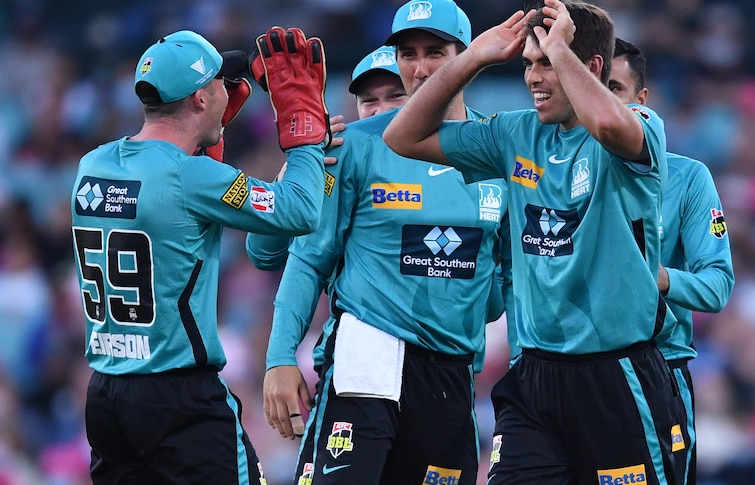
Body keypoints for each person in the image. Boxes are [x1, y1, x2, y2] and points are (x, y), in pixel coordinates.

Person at [384, 0, 683, 483]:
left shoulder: (639, 125)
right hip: (536, 379)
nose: (532, 78)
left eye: (545, 62)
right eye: (528, 64)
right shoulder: (515, 134)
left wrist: (563, 50)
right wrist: (473, 59)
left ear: (591, 67)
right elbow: (403, 136)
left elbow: (607, 125)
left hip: (617, 374)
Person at [256, 1, 511, 483]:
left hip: (452, 373)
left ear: (466, 56)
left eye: (435, 52)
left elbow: (503, 286)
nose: (419, 68)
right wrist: (279, 359)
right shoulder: (353, 145)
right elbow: (308, 259)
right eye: (407, 54)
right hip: (366, 357)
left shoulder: (502, 146)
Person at [70, 28, 329, 484]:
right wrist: (303, 125)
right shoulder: (192, 176)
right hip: (179, 398)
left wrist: (206, 139)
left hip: (108, 395)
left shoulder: (93, 164)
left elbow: (164, 199)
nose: (228, 91)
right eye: (219, 84)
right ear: (199, 100)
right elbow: (299, 210)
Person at [610, 37, 735, 484]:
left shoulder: (687, 177)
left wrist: (657, 277)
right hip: (559, 375)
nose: (600, 103)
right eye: (589, 87)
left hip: (657, 367)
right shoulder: (545, 171)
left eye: (614, 88)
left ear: (641, 101)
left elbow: (718, 284)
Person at [245, 44, 407, 271]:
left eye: (397, 96)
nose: (381, 110)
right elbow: (263, 254)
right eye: (369, 101)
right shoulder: (333, 163)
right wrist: (298, 164)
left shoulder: (452, 158)